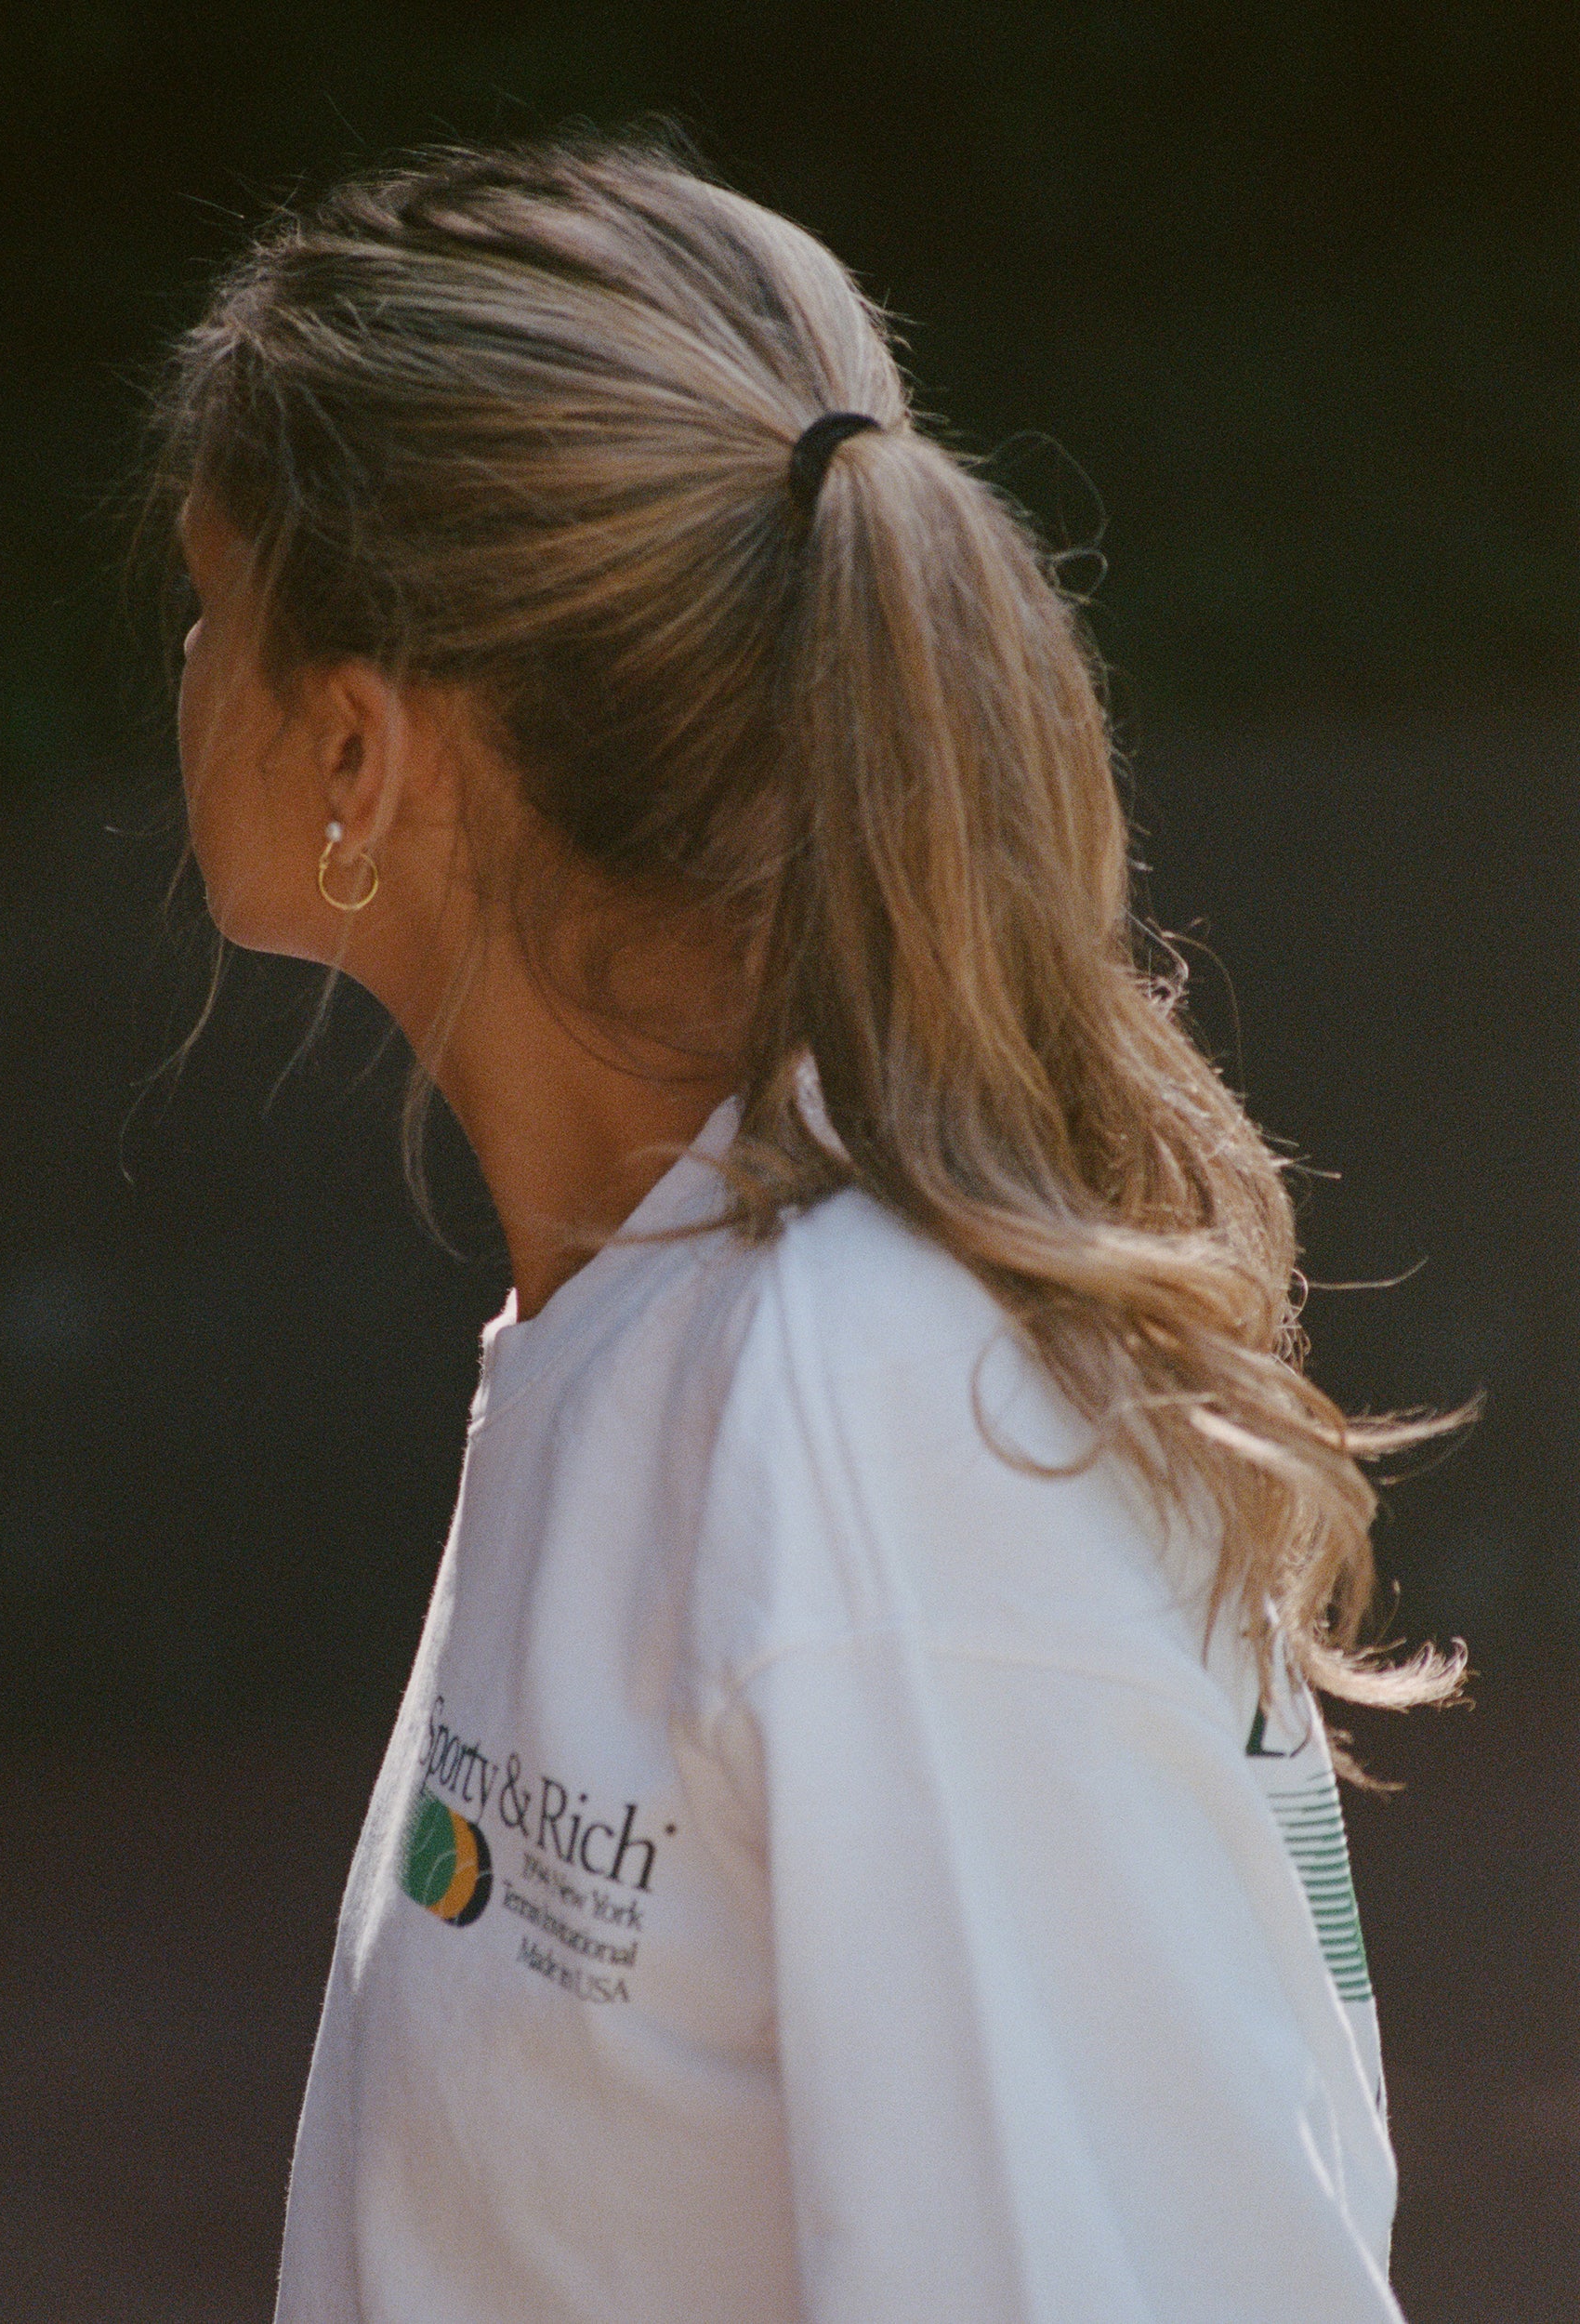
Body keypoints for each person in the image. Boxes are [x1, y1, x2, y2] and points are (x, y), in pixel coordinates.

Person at [150, 132, 1460, 2324]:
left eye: (208, 603)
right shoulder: (686, 1323)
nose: (184, 660)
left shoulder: (874, 1410)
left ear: (357, 756)